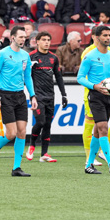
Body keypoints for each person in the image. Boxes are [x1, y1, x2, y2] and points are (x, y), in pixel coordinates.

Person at [0, 26, 36, 176]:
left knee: (22, 131)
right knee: (11, 133)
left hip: (20, 96)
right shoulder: (2, 54)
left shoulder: (25, 56)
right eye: (20, 37)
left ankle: (16, 168)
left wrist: (32, 95)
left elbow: (27, 77)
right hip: (6, 96)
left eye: (24, 37)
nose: (23, 39)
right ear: (12, 37)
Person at [77, 25, 110, 174]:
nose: (108, 38)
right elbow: (80, 77)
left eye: (109, 35)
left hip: (109, 97)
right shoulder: (90, 56)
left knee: (98, 132)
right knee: (103, 127)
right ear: (97, 37)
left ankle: (89, 165)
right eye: (105, 35)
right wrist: (94, 86)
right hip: (95, 96)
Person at [26, 32, 67, 163]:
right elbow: (25, 76)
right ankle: (32, 145)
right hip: (37, 96)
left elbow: (58, 77)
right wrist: (31, 94)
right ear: (37, 41)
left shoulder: (53, 58)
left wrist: (64, 94)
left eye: (48, 40)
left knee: (48, 124)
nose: (47, 42)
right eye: (44, 40)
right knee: (40, 122)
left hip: (50, 95)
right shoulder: (31, 57)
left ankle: (44, 154)